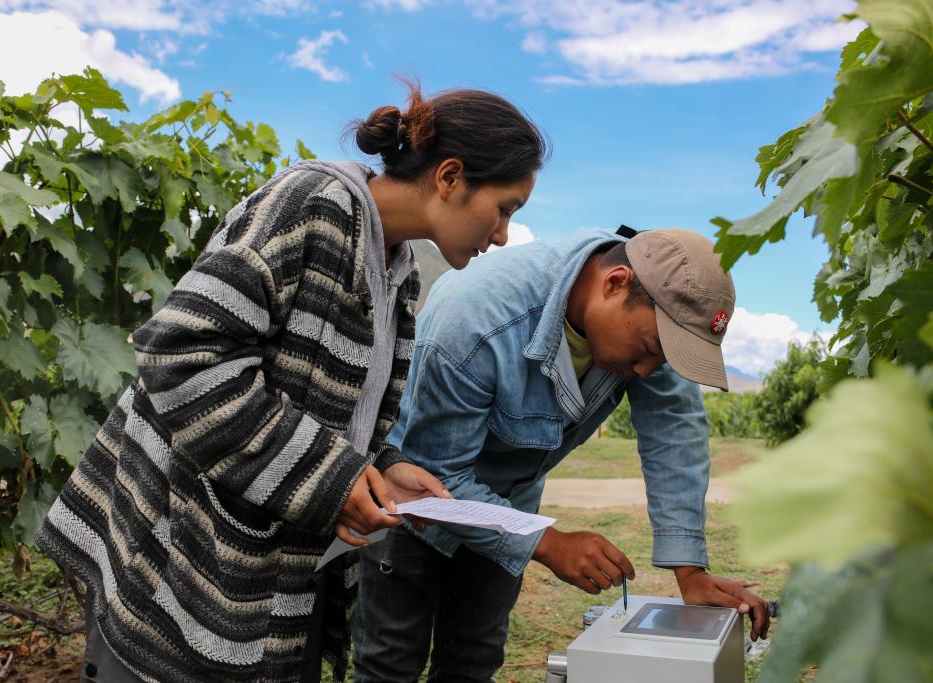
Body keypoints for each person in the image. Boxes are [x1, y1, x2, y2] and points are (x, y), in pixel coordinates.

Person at [34, 82, 548, 683]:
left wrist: (383, 464)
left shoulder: (400, 274)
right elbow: (183, 352)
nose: (505, 233)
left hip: (262, 573)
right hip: (174, 554)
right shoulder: (312, 204)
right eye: (506, 207)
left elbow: (329, 408)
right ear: (450, 177)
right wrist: (334, 478)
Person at [352, 227, 772, 682]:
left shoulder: (656, 316)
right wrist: (548, 544)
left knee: (473, 660)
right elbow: (438, 477)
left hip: (510, 506)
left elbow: (675, 433)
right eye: (649, 350)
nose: (648, 371)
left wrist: (690, 571)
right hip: (416, 504)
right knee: (390, 663)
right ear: (614, 283)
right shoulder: (476, 318)